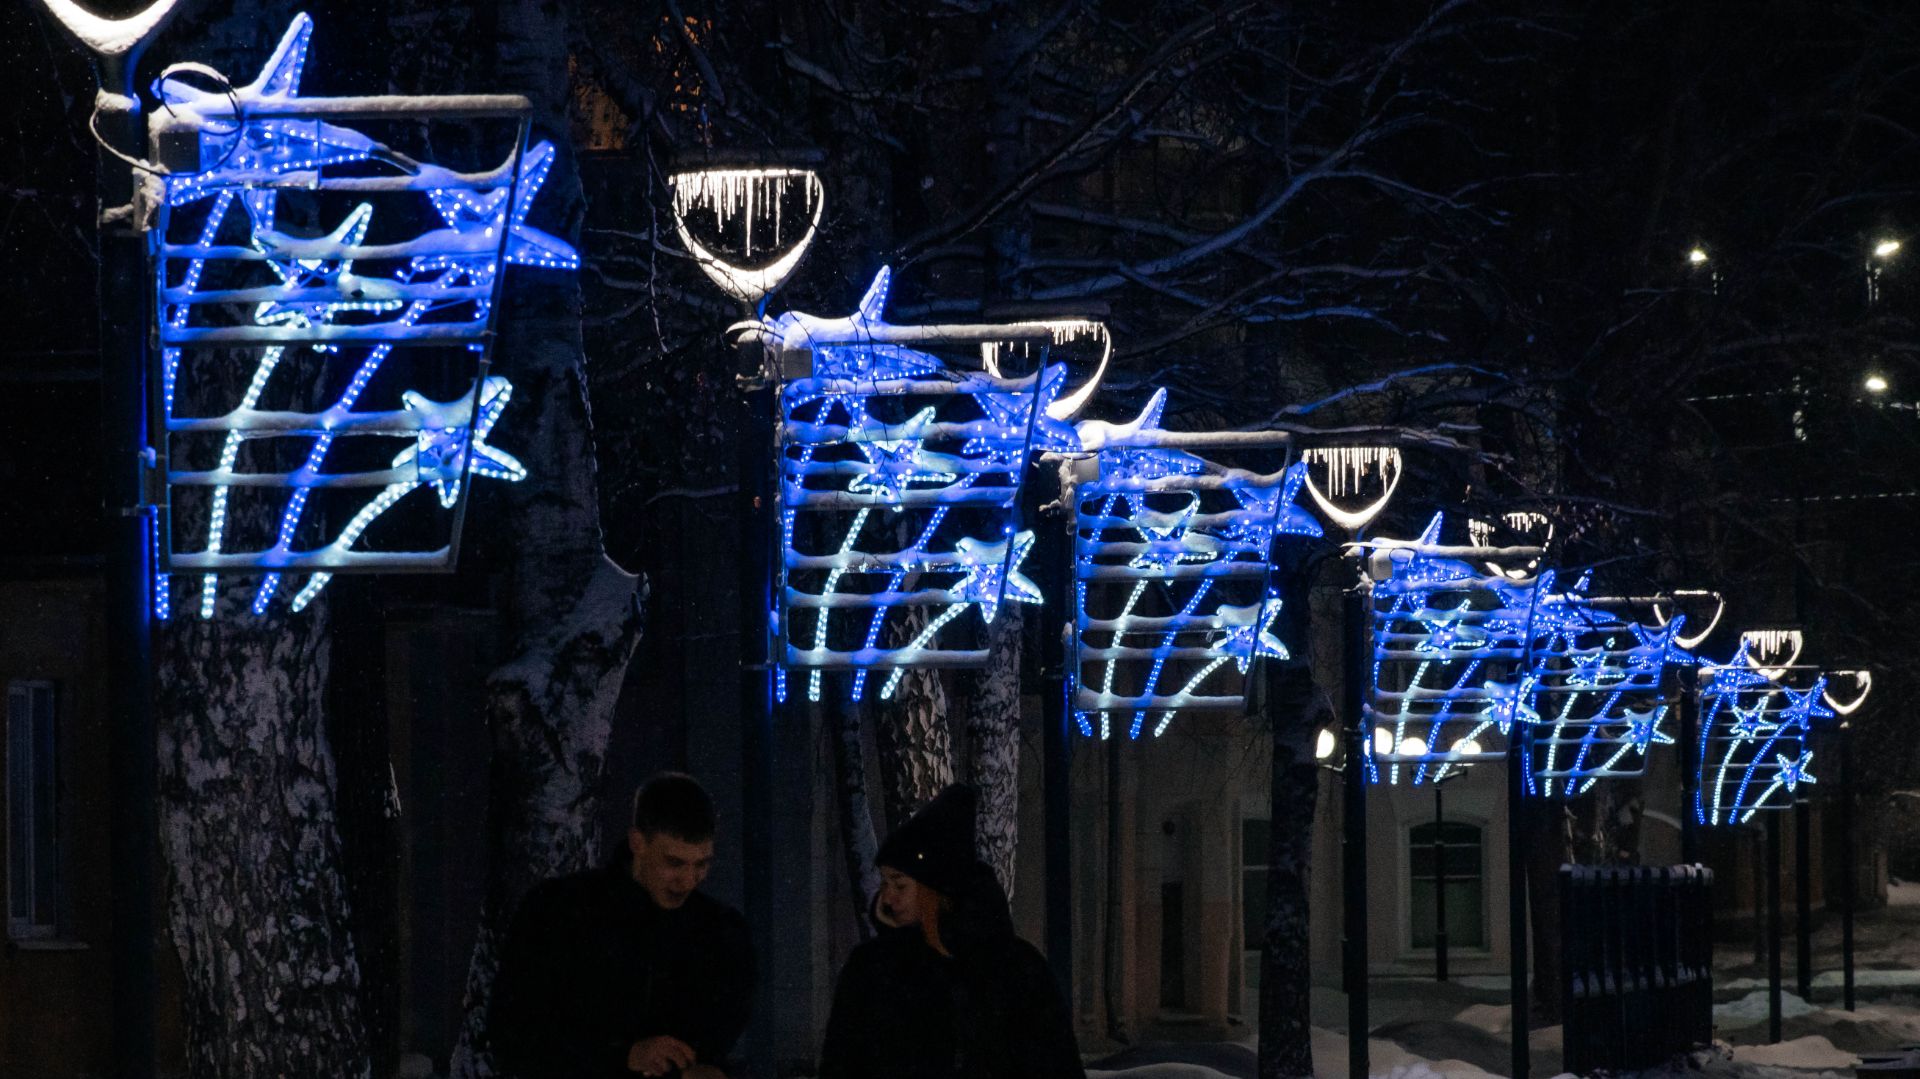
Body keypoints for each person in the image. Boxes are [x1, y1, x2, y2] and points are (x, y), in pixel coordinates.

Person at [491, 773, 753, 1079]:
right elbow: (514, 1032)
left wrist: (707, 1066)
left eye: (701, 864)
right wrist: (622, 1055)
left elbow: (719, 1034)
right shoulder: (561, 913)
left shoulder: (720, 934)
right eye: (674, 863)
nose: (688, 881)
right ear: (637, 842)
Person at [818, 784, 1086, 1079]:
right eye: (885, 883)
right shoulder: (872, 969)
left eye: (900, 884)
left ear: (935, 890)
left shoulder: (1015, 971)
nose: (888, 897)